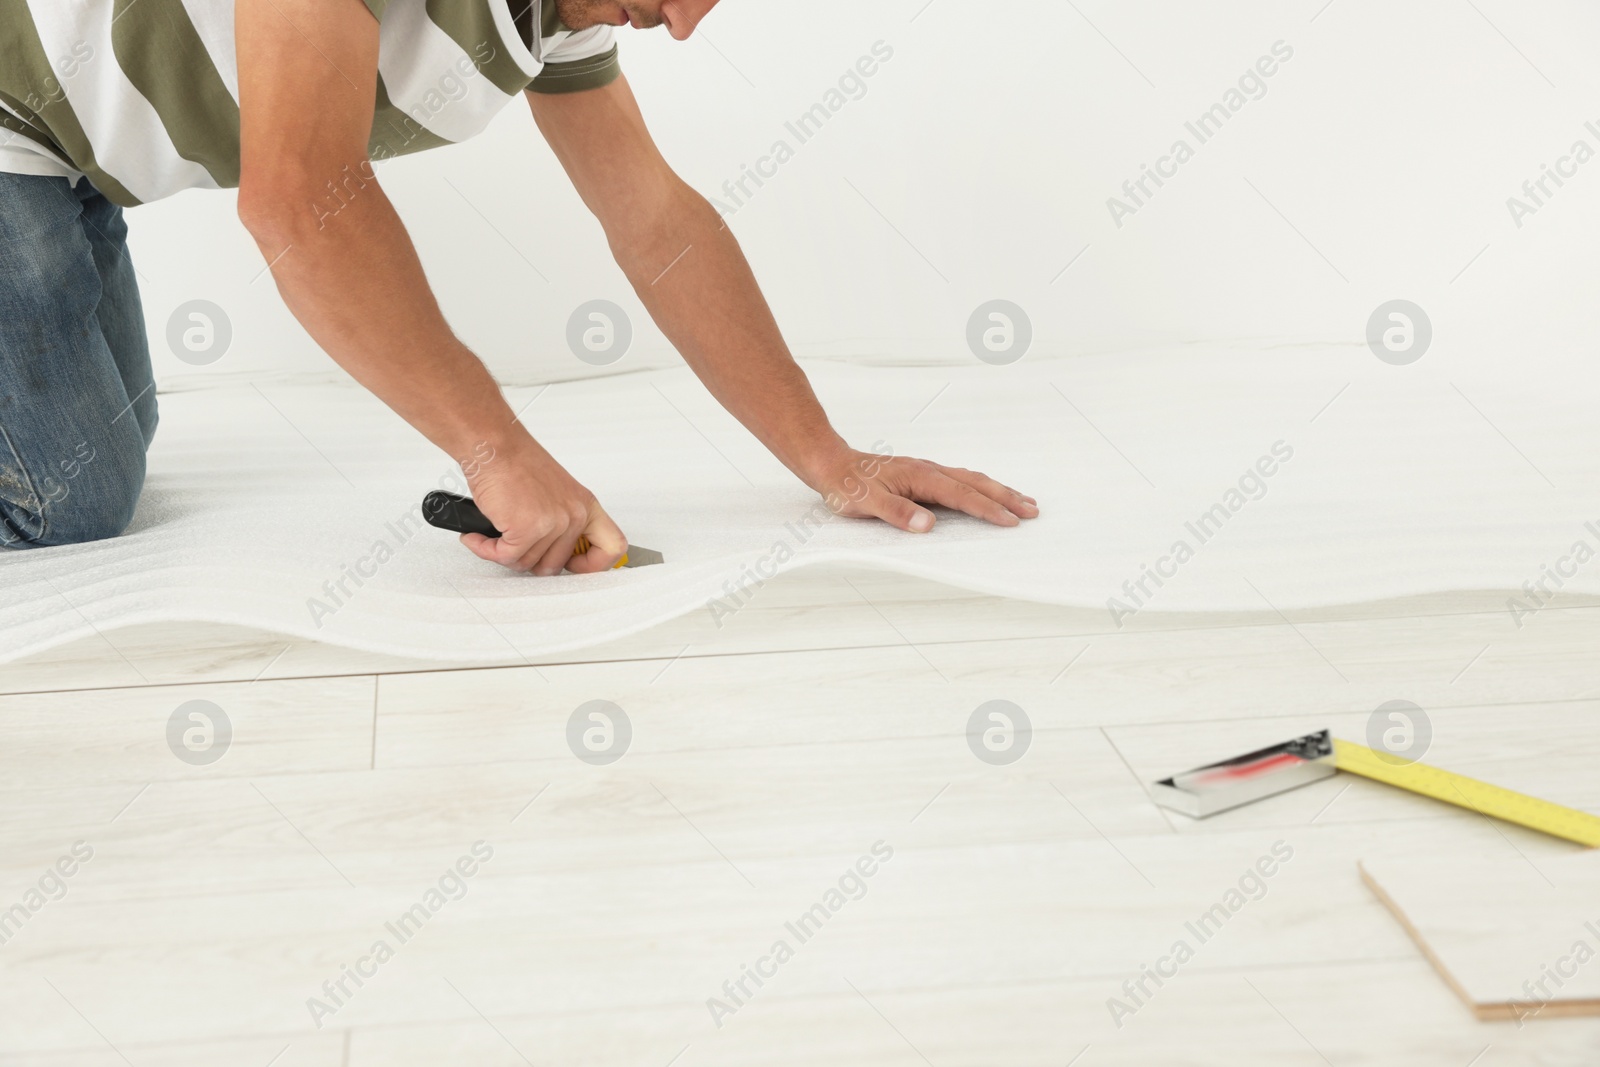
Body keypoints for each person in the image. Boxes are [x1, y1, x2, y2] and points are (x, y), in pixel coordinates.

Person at [0, 0, 1037, 572]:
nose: (683, 24)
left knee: (107, 446)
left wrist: (830, 457)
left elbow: (655, 218)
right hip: (12, 125)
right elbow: (298, 203)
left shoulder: (563, 14)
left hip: (77, 172)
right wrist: (495, 449)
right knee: (68, 505)